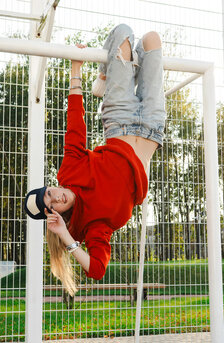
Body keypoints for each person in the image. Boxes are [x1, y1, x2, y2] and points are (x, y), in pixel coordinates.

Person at [24, 24, 166, 296]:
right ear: (57, 215)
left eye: (49, 193)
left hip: (119, 119)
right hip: (152, 126)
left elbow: (75, 125)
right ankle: (124, 68)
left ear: (51, 186)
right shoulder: (92, 226)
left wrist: (76, 68)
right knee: (152, 39)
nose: (56, 198)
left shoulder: (69, 172)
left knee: (123, 32)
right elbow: (97, 270)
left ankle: (105, 74)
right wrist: (66, 237)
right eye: (51, 205)